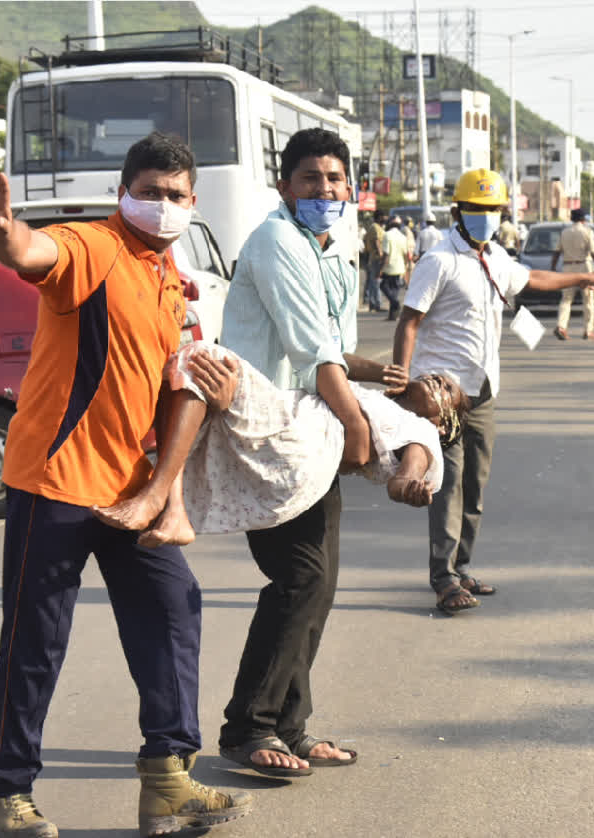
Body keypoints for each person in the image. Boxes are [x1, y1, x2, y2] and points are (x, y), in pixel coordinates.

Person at [0, 132, 252, 838]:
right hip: (53, 481)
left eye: (176, 196)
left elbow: (165, 391)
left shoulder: (168, 279)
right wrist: (2, 231)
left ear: (194, 203)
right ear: (124, 192)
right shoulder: (94, 247)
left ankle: (167, 779)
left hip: (129, 490)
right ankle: (7, 792)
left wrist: (169, 484)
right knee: (36, 641)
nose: (162, 206)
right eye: (149, 192)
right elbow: (35, 253)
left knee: (173, 609)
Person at [216, 127, 407, 778]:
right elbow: (309, 348)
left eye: (334, 179)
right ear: (284, 187)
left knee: (318, 585)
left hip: (311, 424)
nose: (324, 190)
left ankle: (291, 727)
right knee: (297, 577)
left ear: (349, 187)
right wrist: (357, 423)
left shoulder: (334, 250)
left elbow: (334, 348)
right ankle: (250, 726)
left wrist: (376, 374)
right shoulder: (276, 241)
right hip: (268, 429)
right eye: (310, 180)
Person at [393, 169, 594, 615]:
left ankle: (462, 564)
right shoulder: (439, 261)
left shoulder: (493, 255)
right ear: (458, 212)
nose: (486, 217)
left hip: (483, 391)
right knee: (448, 482)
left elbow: (531, 278)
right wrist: (402, 376)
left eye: (493, 210)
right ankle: (444, 576)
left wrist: (583, 280)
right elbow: (409, 320)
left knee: (476, 483)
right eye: (477, 210)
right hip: (443, 394)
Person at [95, 340, 460, 544]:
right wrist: (380, 371)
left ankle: (163, 499)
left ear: (442, 425)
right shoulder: (379, 402)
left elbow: (406, 474)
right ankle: (171, 509)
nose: (437, 381)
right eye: (438, 376)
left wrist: (408, 486)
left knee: (203, 359)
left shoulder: (422, 433)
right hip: (294, 460)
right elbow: (331, 360)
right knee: (185, 401)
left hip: (302, 444)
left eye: (448, 390)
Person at [551, 208, 594, 340]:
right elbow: (593, 252)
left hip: (568, 267)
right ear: (583, 219)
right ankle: (588, 331)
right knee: (588, 300)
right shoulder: (587, 232)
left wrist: (552, 268)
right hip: (584, 267)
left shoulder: (564, 232)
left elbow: (557, 252)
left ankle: (561, 326)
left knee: (566, 299)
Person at [380, 215, 412, 320]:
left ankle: (395, 303)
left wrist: (380, 269)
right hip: (400, 268)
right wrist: (406, 267)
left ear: (389, 225)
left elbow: (386, 254)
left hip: (389, 268)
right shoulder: (403, 237)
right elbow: (406, 254)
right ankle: (392, 316)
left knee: (383, 286)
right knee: (394, 290)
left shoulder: (386, 235)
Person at [361, 209, 386, 311]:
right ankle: (377, 304)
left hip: (372, 257)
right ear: (379, 217)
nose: (385, 219)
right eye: (383, 217)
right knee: (376, 282)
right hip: (376, 258)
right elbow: (376, 241)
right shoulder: (375, 228)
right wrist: (380, 255)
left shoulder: (374, 227)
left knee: (372, 282)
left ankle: (372, 303)